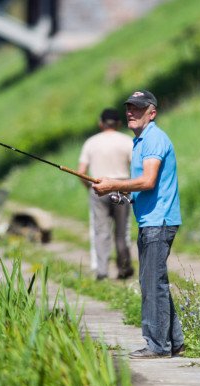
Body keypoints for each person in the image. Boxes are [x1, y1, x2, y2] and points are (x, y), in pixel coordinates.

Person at [93, 90, 185, 359]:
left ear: (152, 112)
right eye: (129, 108)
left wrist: (114, 183)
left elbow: (148, 181)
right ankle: (175, 341)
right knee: (155, 282)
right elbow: (142, 188)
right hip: (150, 220)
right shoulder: (140, 141)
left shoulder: (153, 139)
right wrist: (123, 194)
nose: (131, 112)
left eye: (138, 108)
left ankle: (157, 346)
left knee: (151, 284)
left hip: (160, 221)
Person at [78, 108, 135, 280]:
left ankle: (102, 271)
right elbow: (137, 166)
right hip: (122, 188)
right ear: (118, 123)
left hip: (98, 188)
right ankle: (124, 268)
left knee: (101, 230)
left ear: (100, 123)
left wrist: (89, 187)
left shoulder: (91, 142)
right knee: (121, 231)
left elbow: (81, 171)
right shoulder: (127, 141)